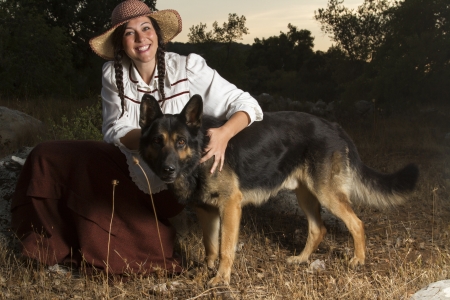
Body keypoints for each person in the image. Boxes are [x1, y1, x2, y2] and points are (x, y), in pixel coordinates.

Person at [11, 0, 263, 275]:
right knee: (48, 154)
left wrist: (224, 134)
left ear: (157, 33)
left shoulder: (188, 67)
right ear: (121, 43)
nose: (141, 38)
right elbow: (114, 131)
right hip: (135, 163)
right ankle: (45, 245)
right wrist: (152, 144)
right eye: (130, 32)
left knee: (145, 242)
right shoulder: (113, 74)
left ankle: (140, 238)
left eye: (146, 28)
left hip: (177, 180)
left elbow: (247, 104)